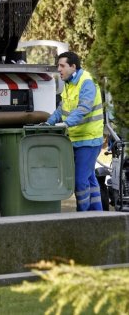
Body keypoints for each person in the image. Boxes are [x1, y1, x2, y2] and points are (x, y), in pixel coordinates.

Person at [45, 51, 103, 211]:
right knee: (89, 179)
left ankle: (82, 216)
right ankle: (97, 215)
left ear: (73, 66)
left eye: (62, 66)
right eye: (58, 66)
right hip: (76, 139)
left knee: (80, 181)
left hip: (89, 140)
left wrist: (65, 124)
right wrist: (49, 122)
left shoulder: (86, 82)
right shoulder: (69, 83)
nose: (59, 69)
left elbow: (84, 108)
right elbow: (62, 108)